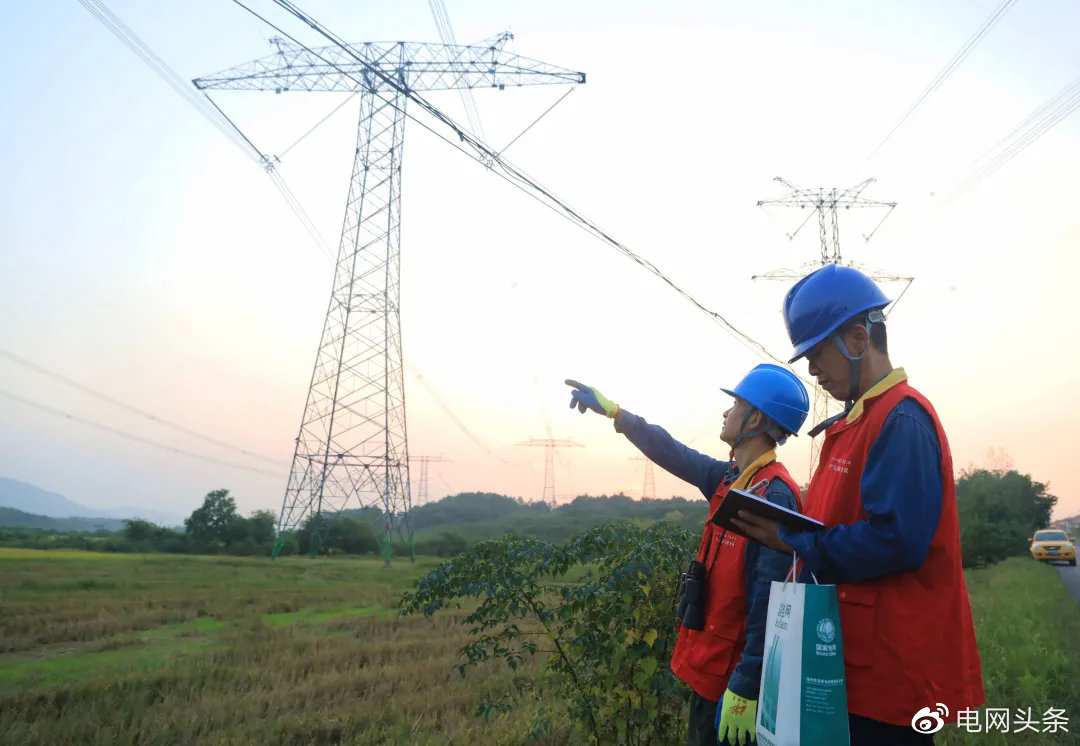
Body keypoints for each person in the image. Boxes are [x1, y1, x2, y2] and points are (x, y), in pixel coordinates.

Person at [732, 265, 985, 746]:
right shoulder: (853, 425)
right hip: (850, 663)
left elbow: (896, 541)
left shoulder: (902, 419)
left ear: (856, 338)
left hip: (892, 674)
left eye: (816, 354)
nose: (812, 371)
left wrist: (794, 540)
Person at [566, 365, 809, 746]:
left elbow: (770, 603)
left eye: (736, 405)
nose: (726, 412)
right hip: (710, 671)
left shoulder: (773, 495)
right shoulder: (731, 478)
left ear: (755, 419)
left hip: (734, 686)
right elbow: (673, 452)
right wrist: (617, 414)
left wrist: (746, 686)